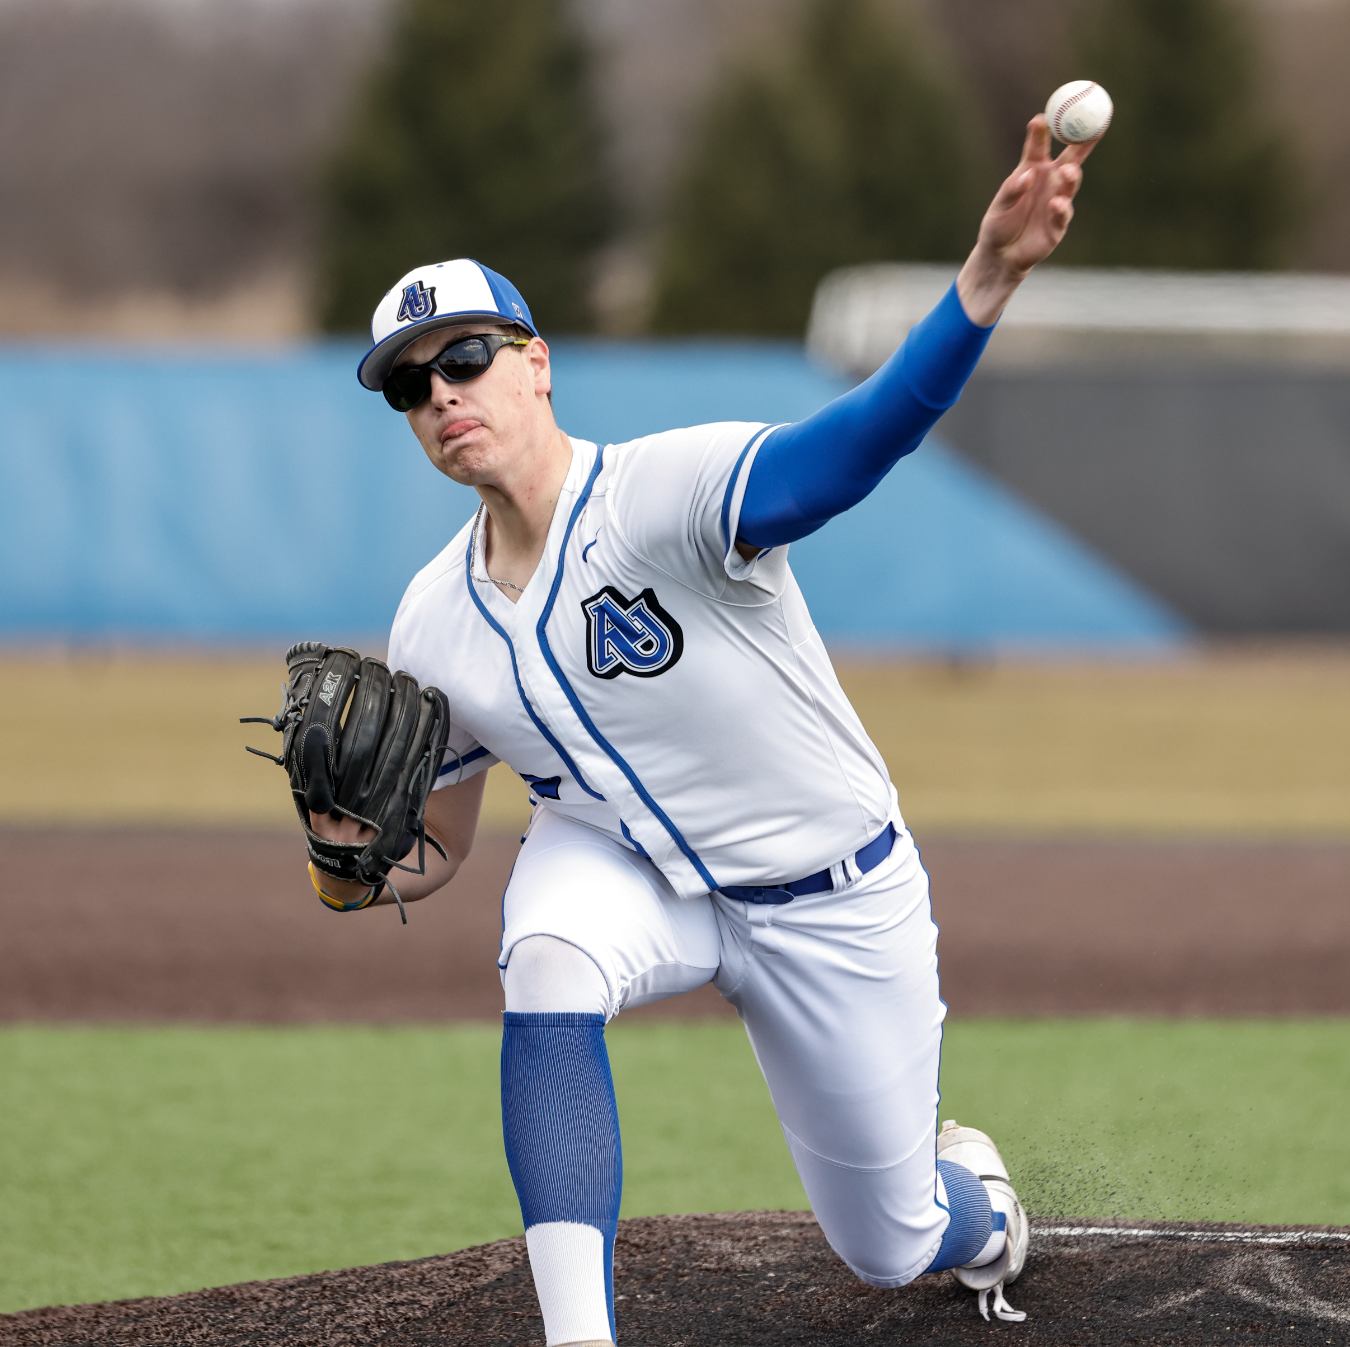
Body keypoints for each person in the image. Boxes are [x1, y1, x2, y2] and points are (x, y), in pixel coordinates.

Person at [308, 115, 1099, 1344]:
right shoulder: (431, 620)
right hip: (626, 867)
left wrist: (984, 281)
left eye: (463, 357)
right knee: (547, 954)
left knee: (888, 1245)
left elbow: (856, 445)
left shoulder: (666, 492)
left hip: (827, 892)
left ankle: (977, 1209)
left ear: (537, 363)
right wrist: (343, 854)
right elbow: (437, 849)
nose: (441, 393)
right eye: (410, 383)